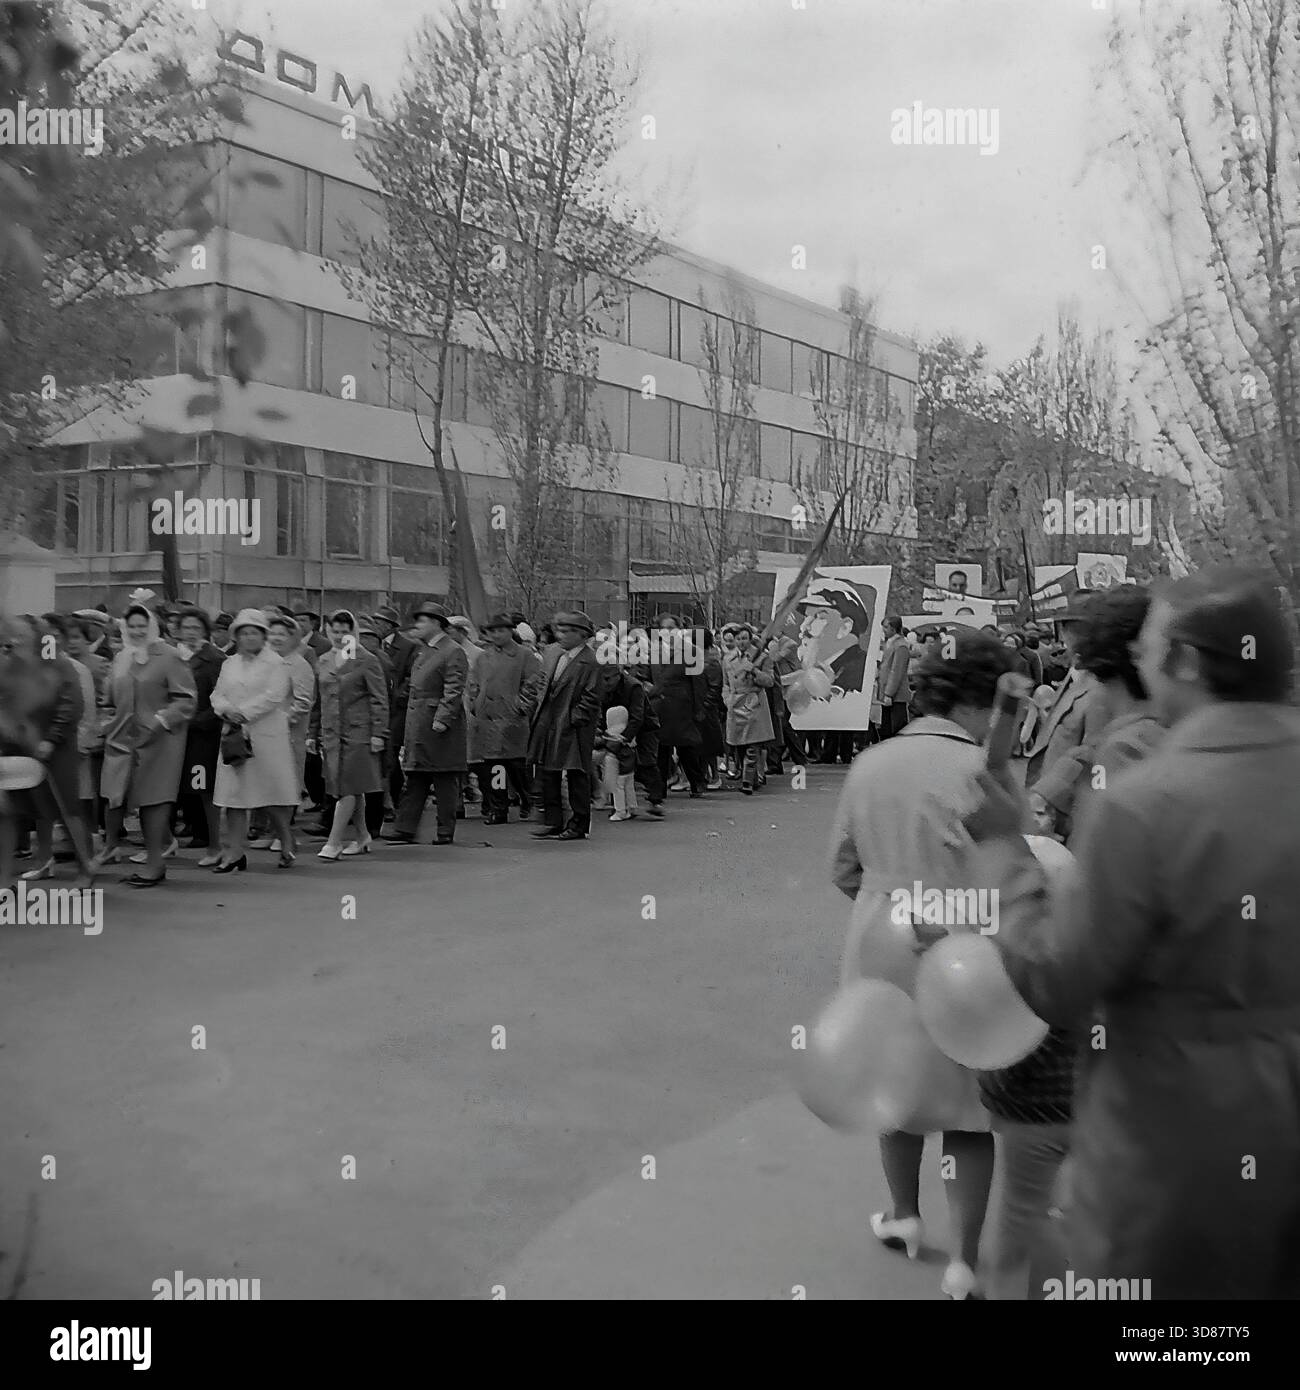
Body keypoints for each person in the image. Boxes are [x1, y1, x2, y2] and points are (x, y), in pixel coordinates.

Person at [978, 568, 1300, 1299]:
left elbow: (1056, 977)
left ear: (1184, 662)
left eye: (1150, 647)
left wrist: (1004, 853)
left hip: (1176, 1138)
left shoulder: (1146, 806)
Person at [828, 628, 1038, 1299]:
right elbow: (1014, 869)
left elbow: (842, 867)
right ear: (979, 704)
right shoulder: (987, 771)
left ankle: (905, 1216)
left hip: (883, 942)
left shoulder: (870, 764)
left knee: (895, 1092)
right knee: (968, 1109)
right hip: (967, 948)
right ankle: (965, 1261)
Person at [96, 598, 196, 885]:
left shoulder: (170, 656)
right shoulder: (121, 658)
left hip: (160, 740)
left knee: (153, 801)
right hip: (122, 740)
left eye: (142, 625)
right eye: (132, 626)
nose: (137, 631)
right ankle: (112, 847)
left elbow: (186, 699)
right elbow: (108, 698)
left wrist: (160, 721)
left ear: (152, 626)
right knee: (115, 795)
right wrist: (107, 721)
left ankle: (155, 862)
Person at [209, 609, 299, 872]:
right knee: (234, 796)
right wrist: (226, 710)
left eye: (254, 633)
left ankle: (286, 841)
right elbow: (217, 695)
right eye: (244, 633)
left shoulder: (276, 663)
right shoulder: (229, 663)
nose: (249, 638)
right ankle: (235, 853)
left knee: (271, 795)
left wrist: (244, 713)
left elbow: (274, 696)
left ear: (263, 636)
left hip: (266, 737)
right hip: (235, 738)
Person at [5, 616, 92, 882]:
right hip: (21, 747)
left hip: (55, 748)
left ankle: (86, 869)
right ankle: (38, 863)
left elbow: (71, 705)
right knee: (31, 810)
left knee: (67, 809)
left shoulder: (58, 664)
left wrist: (51, 739)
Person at [1024, 593, 1112, 840]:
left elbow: (1095, 760)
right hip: (1049, 810)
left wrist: (1051, 805)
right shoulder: (1074, 676)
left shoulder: (1100, 688)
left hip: (1069, 819)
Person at [308, 610, 388, 860]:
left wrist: (378, 733)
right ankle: (362, 835)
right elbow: (318, 701)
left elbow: (379, 698)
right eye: (335, 631)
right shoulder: (323, 660)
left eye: (345, 631)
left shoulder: (366, 659)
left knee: (347, 788)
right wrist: (312, 733)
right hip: (331, 734)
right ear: (327, 631)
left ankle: (333, 842)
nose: (340, 636)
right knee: (349, 787)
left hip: (359, 732)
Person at [386, 602, 467, 846]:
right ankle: (405, 827)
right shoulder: (424, 651)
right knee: (416, 777)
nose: (418, 626)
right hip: (419, 722)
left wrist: (442, 718)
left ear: (435, 623)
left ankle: (445, 829)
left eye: (422, 621)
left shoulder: (452, 650)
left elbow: (453, 687)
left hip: (436, 724)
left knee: (443, 778)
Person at [528, 610, 601, 841]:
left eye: (568, 631)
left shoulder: (590, 661)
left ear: (582, 635)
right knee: (548, 771)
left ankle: (579, 824)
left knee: (577, 773)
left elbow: (592, 696)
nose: (562, 635)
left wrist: (575, 718)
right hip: (550, 720)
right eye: (560, 630)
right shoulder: (555, 655)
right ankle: (553, 821)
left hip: (572, 724)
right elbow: (542, 682)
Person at [468, 612, 542, 825]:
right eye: (493, 631)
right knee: (494, 766)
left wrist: (522, 706)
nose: (497, 635)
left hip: (511, 718)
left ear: (511, 631)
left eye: (501, 630)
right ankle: (498, 808)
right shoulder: (483, 657)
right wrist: (475, 703)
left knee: (517, 765)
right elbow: (474, 683)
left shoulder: (524, 656)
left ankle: (528, 799)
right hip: (487, 718)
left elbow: (533, 683)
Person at [174, 608, 227, 866]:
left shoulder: (214, 658)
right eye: (186, 628)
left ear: (205, 631)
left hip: (203, 736)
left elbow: (221, 699)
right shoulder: (174, 657)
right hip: (176, 734)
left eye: (196, 628)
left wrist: (195, 721)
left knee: (204, 790)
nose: (191, 633)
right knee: (185, 790)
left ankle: (214, 844)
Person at [267, 613, 316, 839]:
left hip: (288, 734)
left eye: (282, 634)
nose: (276, 638)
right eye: (273, 633)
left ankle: (283, 835)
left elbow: (304, 702)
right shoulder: (266, 662)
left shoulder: (299, 664)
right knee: (270, 785)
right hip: (264, 734)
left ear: (293, 637)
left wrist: (281, 719)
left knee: (287, 784)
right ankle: (273, 831)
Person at [373, 604, 419, 813]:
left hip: (397, 710)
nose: (376, 626)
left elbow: (412, 677)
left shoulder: (408, 646)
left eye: (379, 622)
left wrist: (398, 696)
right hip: (374, 708)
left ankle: (395, 800)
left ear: (391, 626)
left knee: (390, 755)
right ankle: (386, 800)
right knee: (380, 757)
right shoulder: (367, 646)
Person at [649, 634, 707, 798]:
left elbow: (698, 682)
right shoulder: (655, 653)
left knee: (686, 747)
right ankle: (658, 790)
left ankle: (697, 782)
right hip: (659, 706)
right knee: (660, 749)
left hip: (681, 707)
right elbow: (651, 678)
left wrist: (699, 708)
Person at [724, 625, 776, 795]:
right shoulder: (728, 659)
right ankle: (752, 777)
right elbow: (725, 683)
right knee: (738, 745)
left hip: (753, 703)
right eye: (738, 639)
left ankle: (747, 781)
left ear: (750, 638)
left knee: (752, 746)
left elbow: (769, 681)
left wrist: (753, 670)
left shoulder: (762, 657)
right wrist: (727, 699)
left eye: (744, 638)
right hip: (735, 703)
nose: (741, 642)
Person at [876, 615, 911, 738]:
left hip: (896, 695)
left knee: (895, 727)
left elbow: (897, 671)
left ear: (894, 628)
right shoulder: (888, 643)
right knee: (885, 727)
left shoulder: (901, 646)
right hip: (884, 690)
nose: (884, 630)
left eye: (886, 627)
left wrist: (889, 693)